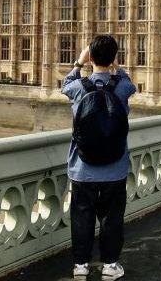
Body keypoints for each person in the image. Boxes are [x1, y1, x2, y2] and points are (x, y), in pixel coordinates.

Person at [62, 35, 136, 280]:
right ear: (114, 58)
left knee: (82, 218)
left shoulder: (78, 87)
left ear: (90, 57)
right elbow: (129, 82)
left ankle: (80, 266)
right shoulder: (122, 86)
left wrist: (79, 63)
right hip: (115, 167)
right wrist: (115, 65)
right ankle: (110, 266)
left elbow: (65, 84)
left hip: (83, 168)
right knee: (112, 219)